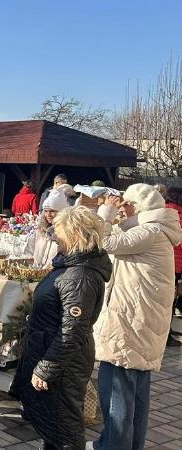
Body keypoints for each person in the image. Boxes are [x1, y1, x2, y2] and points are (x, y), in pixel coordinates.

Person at [9, 206, 112, 450]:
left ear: (75, 235)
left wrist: (46, 368)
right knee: (53, 429)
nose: (54, 236)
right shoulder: (70, 268)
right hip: (54, 356)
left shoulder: (80, 277)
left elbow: (72, 331)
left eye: (60, 231)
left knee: (65, 430)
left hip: (64, 365)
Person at [90, 184, 182, 450]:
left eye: (126, 204)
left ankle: (111, 446)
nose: (122, 208)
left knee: (116, 394)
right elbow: (118, 240)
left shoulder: (149, 231)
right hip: (140, 324)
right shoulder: (153, 231)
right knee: (136, 398)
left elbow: (105, 241)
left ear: (137, 206)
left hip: (129, 326)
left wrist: (106, 211)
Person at [25, 190, 69, 268]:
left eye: (52, 211)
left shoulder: (65, 235)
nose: (48, 215)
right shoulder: (39, 232)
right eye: (45, 211)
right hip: (35, 274)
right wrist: (29, 266)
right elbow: (28, 251)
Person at [165, 187, 182, 347]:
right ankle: (167, 335)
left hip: (161, 263)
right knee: (170, 301)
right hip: (176, 266)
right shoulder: (180, 215)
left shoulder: (162, 212)